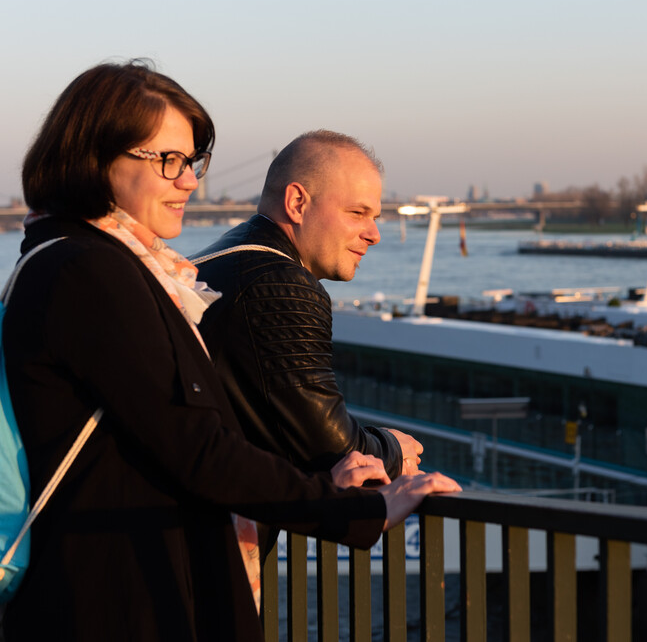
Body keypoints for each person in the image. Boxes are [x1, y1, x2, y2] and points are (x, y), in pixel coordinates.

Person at [2, 61, 460, 642]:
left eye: (192, 162)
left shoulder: (84, 262)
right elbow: (196, 447)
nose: (189, 182)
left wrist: (320, 482)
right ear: (95, 158)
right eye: (167, 161)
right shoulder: (87, 270)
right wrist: (361, 513)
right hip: (122, 600)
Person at [192, 131, 422, 484]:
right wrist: (393, 450)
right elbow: (330, 449)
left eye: (374, 216)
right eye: (358, 212)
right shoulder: (281, 283)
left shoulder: (216, 261)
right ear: (297, 203)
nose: (374, 234)